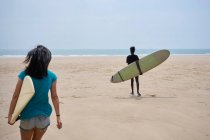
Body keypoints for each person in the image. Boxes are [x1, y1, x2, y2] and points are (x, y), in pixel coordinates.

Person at [8, 45, 62, 140]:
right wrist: (58, 117)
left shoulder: (24, 74)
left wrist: (10, 115)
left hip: (27, 116)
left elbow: (15, 96)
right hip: (43, 117)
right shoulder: (52, 76)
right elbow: (55, 97)